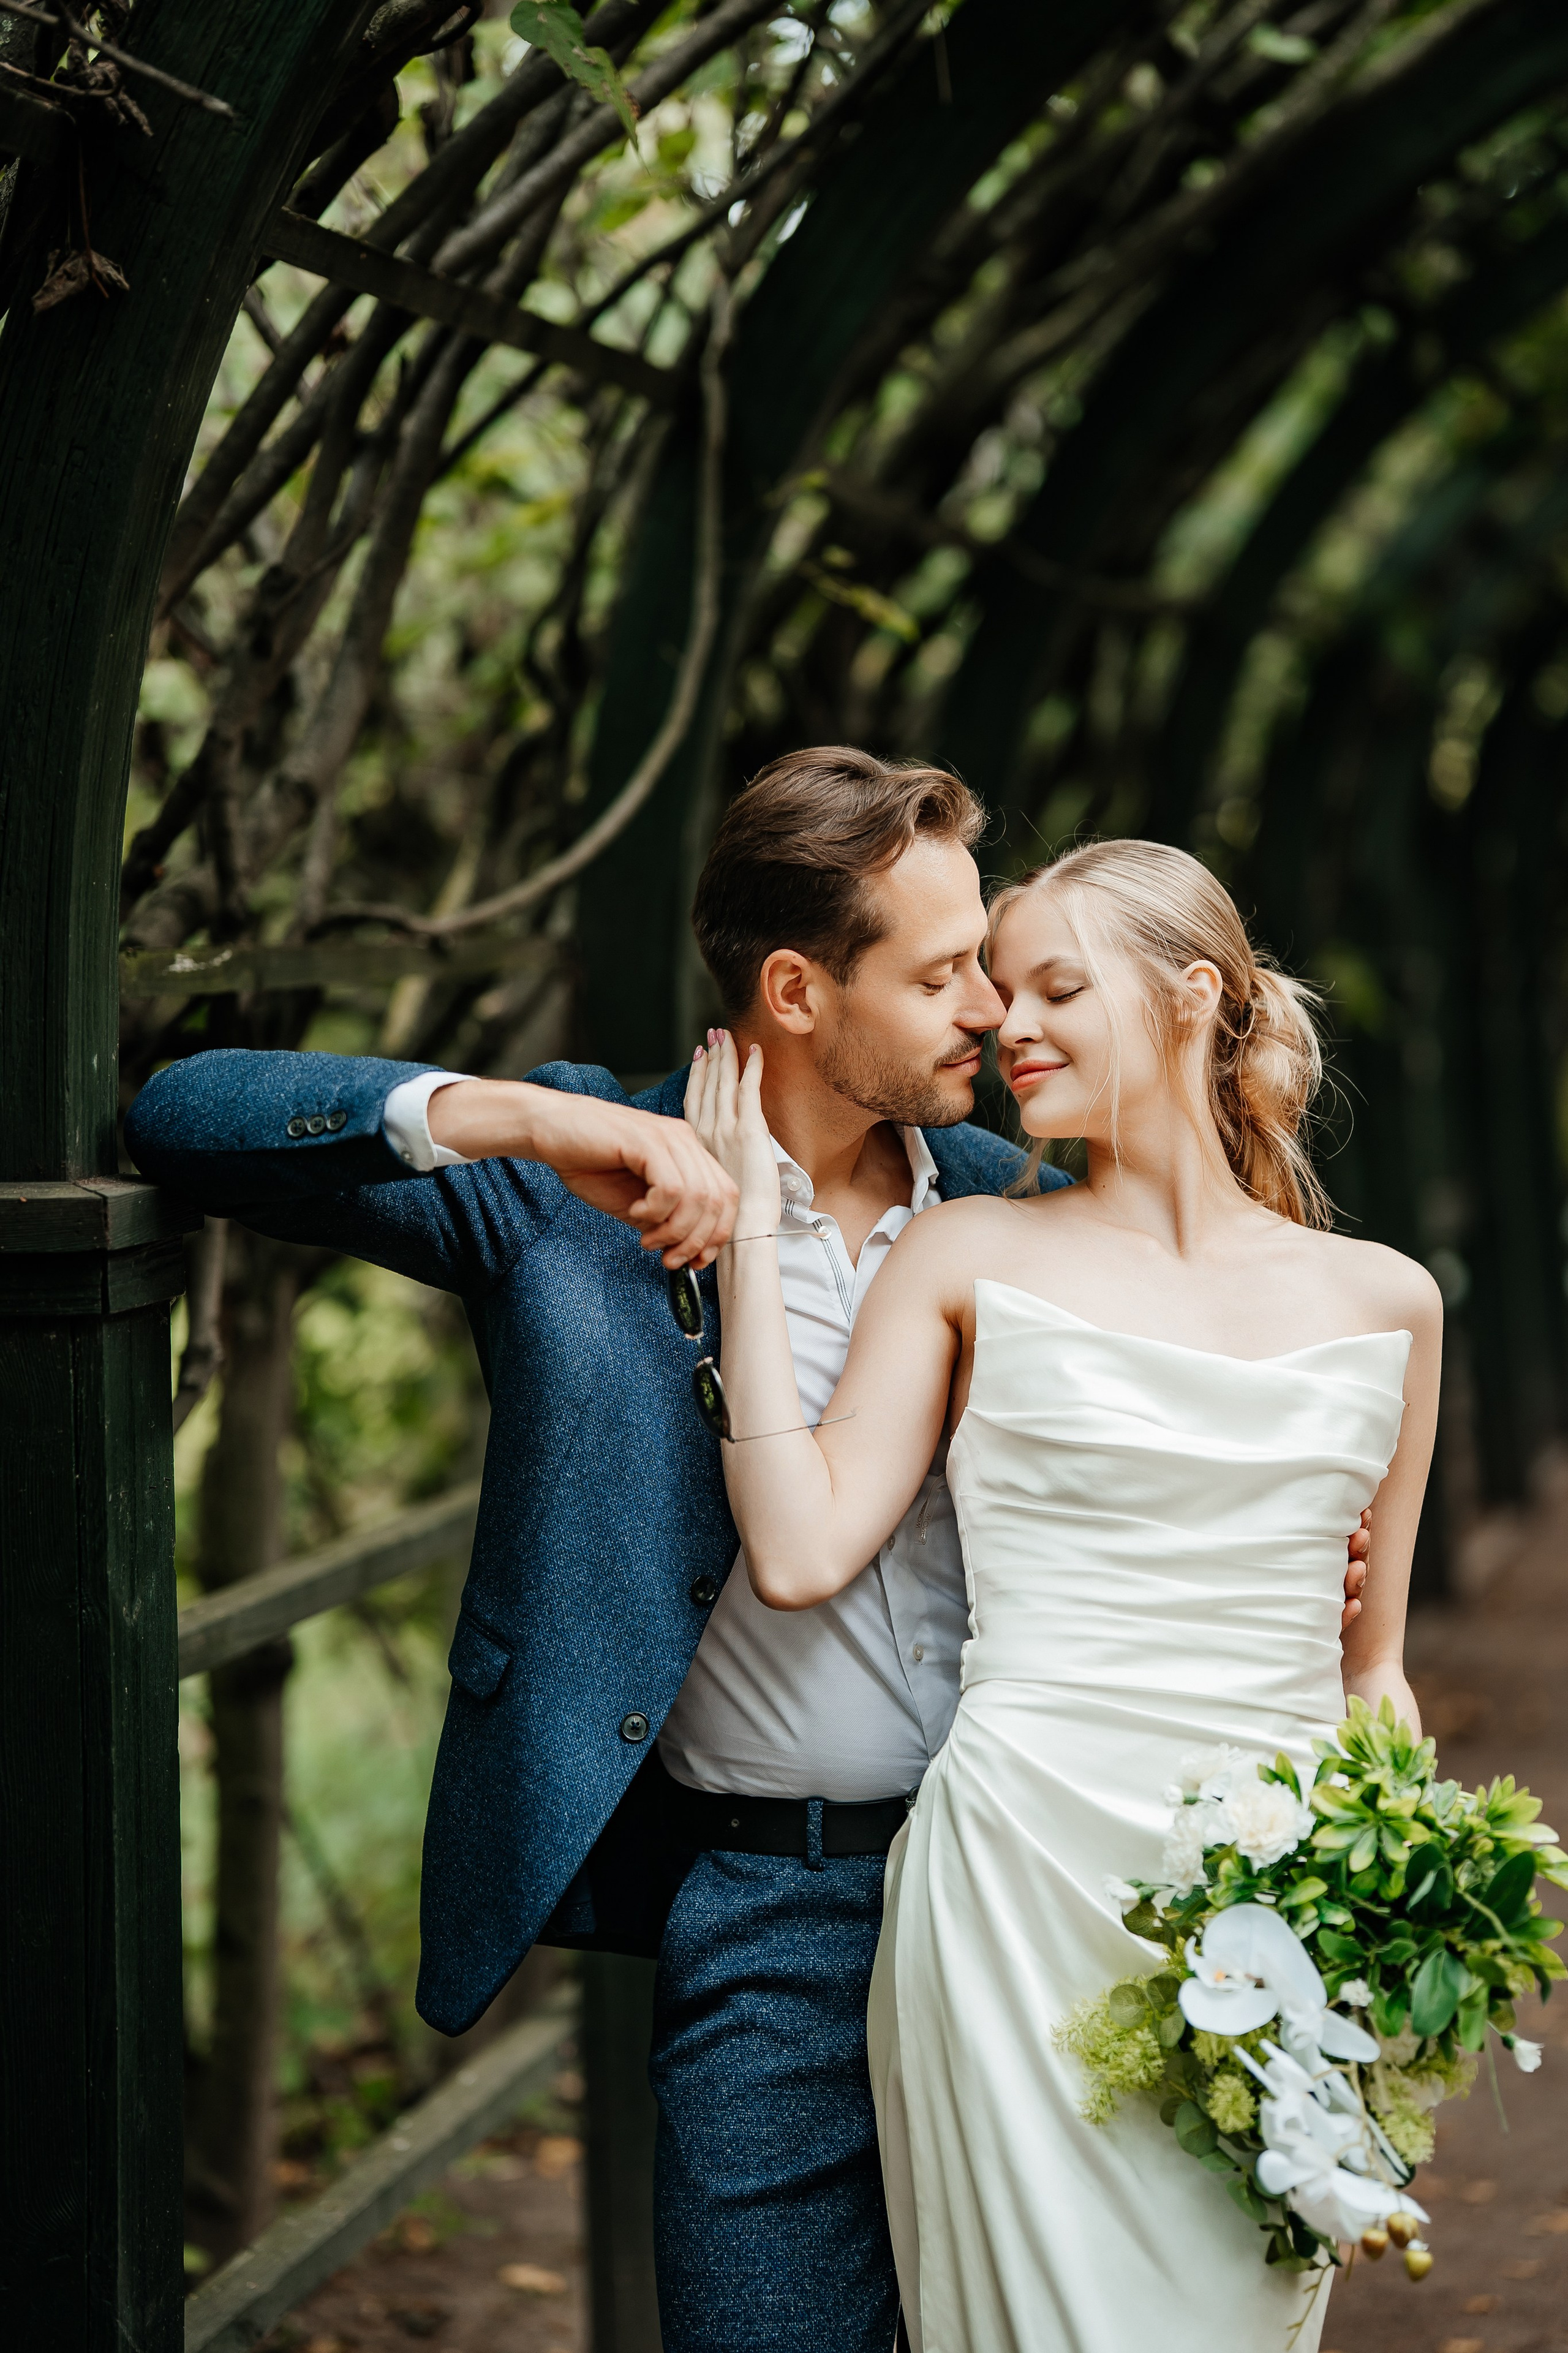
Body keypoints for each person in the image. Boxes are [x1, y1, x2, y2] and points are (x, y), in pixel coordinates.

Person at [125, 762, 1368, 2353]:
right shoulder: (572, 1185)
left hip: (1038, 1897)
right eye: (939, 977)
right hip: (764, 1917)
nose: (989, 1011)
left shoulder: (1016, 1204)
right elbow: (182, 1116)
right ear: (796, 990)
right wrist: (519, 1112)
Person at [685, 836, 1437, 2353]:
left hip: (1271, 1911)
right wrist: (749, 1231)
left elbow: (1371, 1670)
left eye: (1052, 987)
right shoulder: (968, 1252)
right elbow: (798, 1545)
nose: (1001, 1021)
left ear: (1191, 997)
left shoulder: (1386, 1303)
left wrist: (1391, 1912)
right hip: (1018, 1894)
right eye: (987, 985)